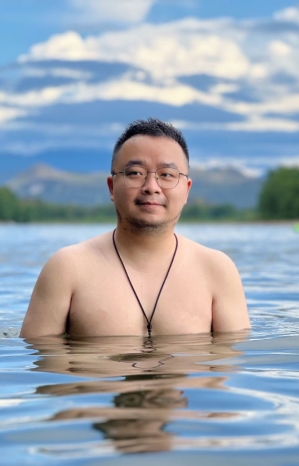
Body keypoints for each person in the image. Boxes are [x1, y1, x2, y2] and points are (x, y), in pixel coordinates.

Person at [20, 118, 250, 338]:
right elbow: (44, 359)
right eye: (136, 173)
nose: (151, 187)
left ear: (187, 190)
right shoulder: (67, 268)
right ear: (111, 187)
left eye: (167, 175)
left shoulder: (217, 270)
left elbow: (227, 361)